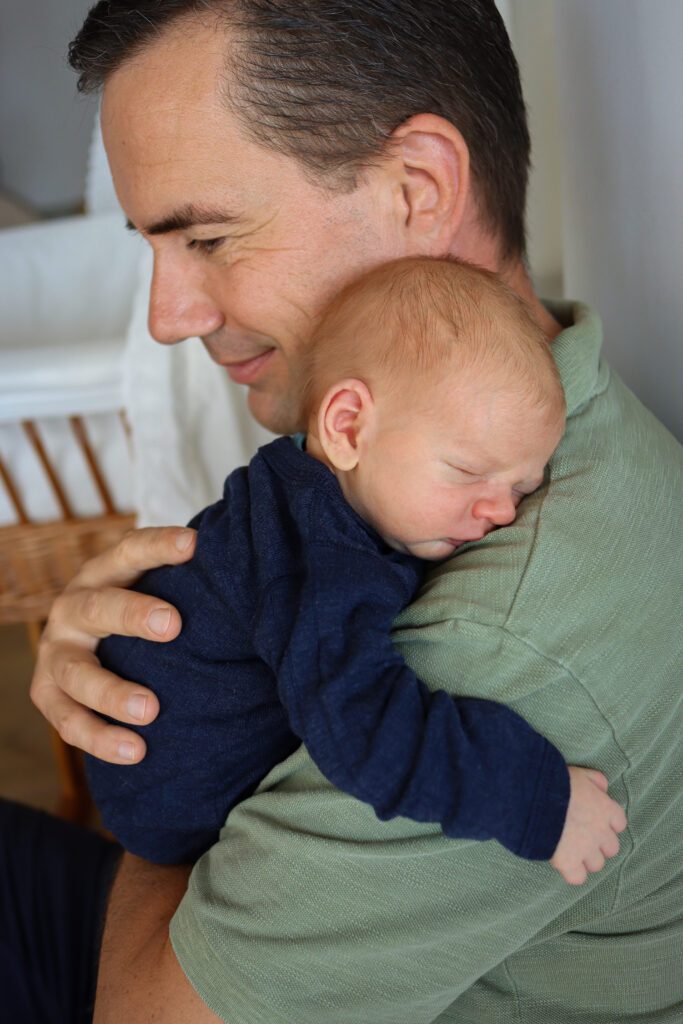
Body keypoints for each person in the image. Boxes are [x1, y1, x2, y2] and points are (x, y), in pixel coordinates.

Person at [13, 1, 682, 1022]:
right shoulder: (473, 418)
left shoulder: (490, 649)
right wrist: (142, 664)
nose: (166, 317)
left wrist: (162, 779)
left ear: (417, 189)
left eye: (207, 235)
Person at [86, 255, 625, 880]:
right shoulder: (323, 555)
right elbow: (361, 726)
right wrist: (536, 798)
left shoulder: (319, 493)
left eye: (522, 487)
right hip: (177, 806)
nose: (501, 511)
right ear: (348, 428)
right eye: (469, 472)